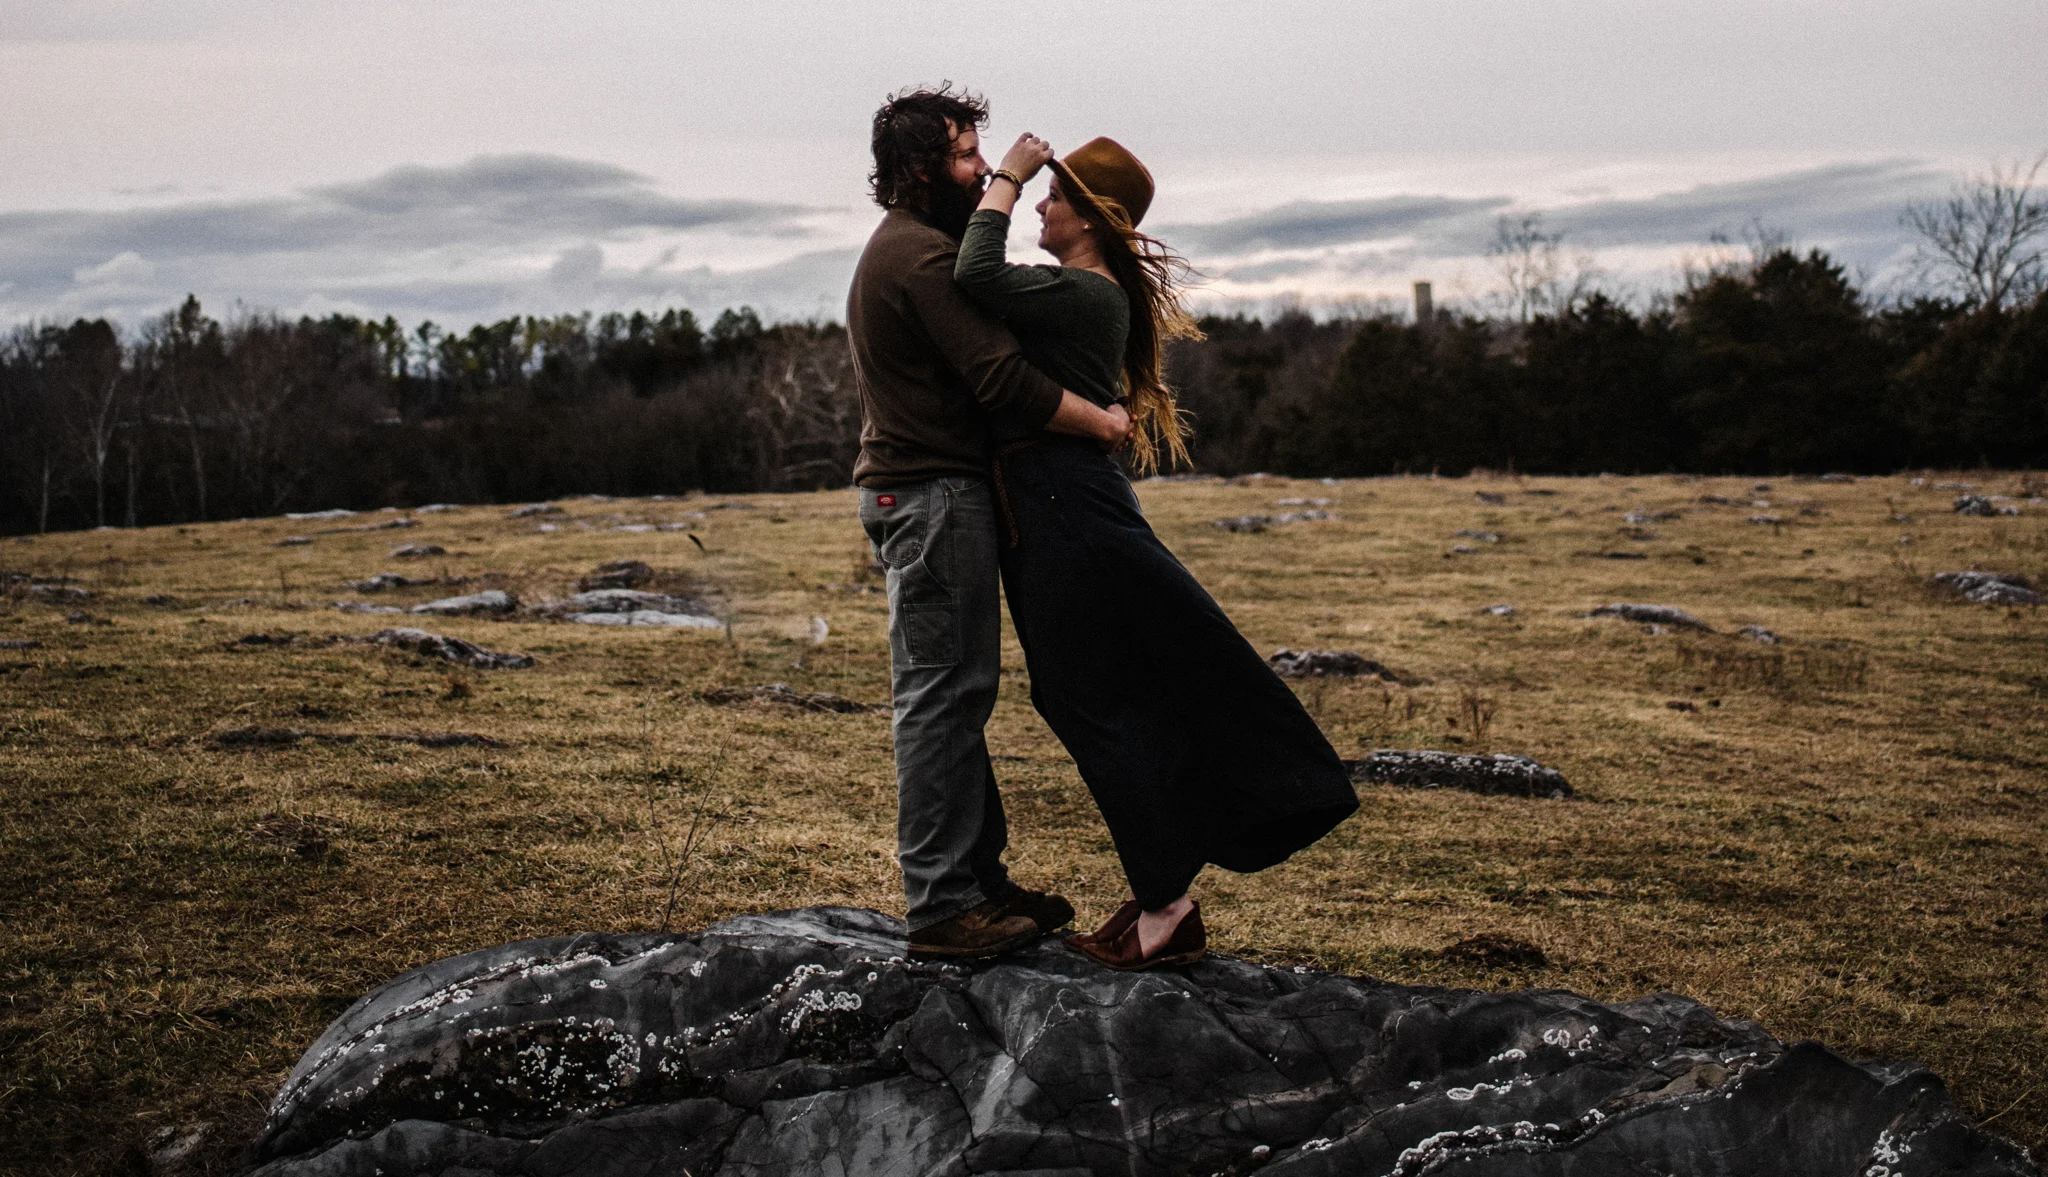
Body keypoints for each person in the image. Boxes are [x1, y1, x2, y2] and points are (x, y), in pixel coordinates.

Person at [954, 132, 1360, 970]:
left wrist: (1004, 172)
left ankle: (1168, 904)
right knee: (1096, 695)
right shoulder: (1086, 291)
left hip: (1068, 507)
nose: (1039, 204)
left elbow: (974, 273)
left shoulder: (1086, 294)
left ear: (1091, 219)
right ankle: (1159, 891)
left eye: (1053, 196)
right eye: (1038, 192)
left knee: (1089, 699)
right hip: (1058, 505)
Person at [847, 86, 1135, 959]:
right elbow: (1005, 382)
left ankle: (981, 880)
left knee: (960, 692)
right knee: (940, 698)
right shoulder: (923, 260)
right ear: (925, 167)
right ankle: (941, 905)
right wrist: (1105, 423)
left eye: (983, 156)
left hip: (930, 494)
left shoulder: (912, 247)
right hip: (931, 497)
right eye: (970, 155)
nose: (984, 171)